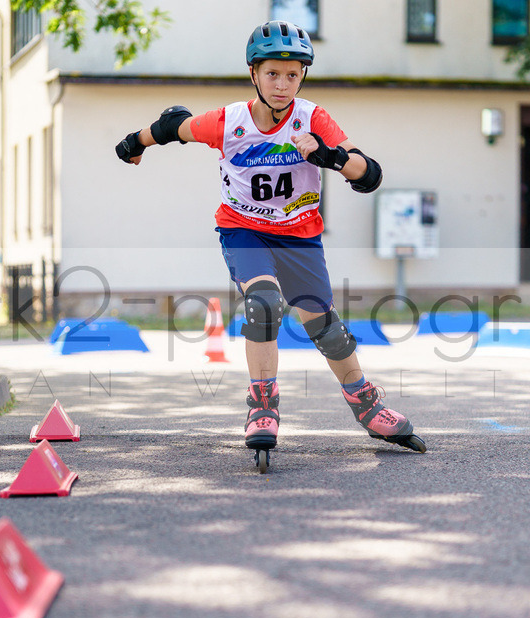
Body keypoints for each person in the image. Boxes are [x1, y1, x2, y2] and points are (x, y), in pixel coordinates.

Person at [115, 20, 426, 470]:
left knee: (326, 328)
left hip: (300, 235)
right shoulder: (228, 122)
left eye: (293, 75)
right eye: (273, 74)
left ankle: (367, 405)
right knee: (262, 304)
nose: (283, 85)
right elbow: (172, 127)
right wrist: (132, 144)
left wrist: (331, 157)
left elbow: (370, 172)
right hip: (244, 230)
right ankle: (262, 405)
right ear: (254, 74)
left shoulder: (313, 118)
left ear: (303, 77)